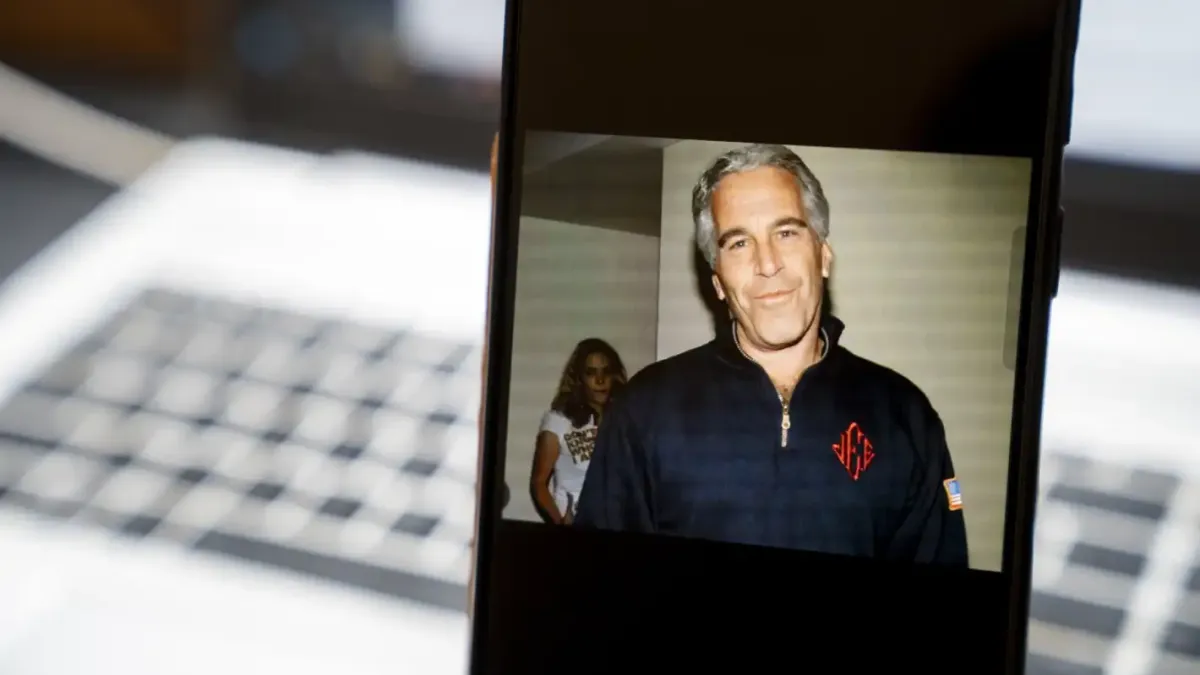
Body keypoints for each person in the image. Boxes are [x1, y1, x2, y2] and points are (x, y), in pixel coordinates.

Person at [573, 143, 969, 566]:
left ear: (824, 256)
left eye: (786, 233)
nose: (767, 263)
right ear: (718, 282)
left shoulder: (906, 416)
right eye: (739, 243)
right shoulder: (643, 410)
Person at [530, 338, 628, 525]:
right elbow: (539, 483)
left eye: (606, 371)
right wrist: (560, 523)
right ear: (579, 379)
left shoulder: (623, 419)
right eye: (591, 373)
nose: (600, 380)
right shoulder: (559, 420)